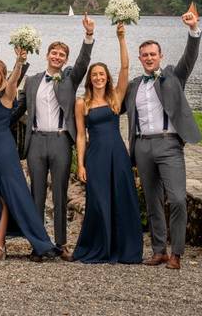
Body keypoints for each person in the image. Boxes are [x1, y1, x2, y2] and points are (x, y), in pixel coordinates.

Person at [124, 3, 202, 270]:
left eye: (152, 54)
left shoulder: (172, 76)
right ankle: (159, 251)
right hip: (142, 146)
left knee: (178, 198)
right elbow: (113, 106)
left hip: (169, 145)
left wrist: (193, 30)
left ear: (160, 55)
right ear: (140, 58)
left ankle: (177, 252)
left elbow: (189, 59)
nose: (148, 58)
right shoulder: (134, 85)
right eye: (144, 55)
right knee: (152, 200)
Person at [12, 14, 95, 255]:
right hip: (36, 140)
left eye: (62, 55)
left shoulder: (70, 79)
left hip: (60, 140)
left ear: (65, 59)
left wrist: (88, 36)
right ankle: (38, 244)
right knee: (36, 194)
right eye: (54, 53)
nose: (57, 57)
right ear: (47, 55)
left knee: (60, 193)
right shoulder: (33, 81)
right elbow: (19, 109)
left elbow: (83, 62)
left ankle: (61, 243)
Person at [0, 48, 58, 262]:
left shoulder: (6, 94)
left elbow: (13, 81)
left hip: (2, 150)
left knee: (6, 197)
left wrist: (19, 61)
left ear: (2, 77)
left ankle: (0, 246)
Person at [69, 22, 142, 264]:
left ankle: (122, 249)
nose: (99, 78)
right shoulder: (82, 103)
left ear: (106, 77)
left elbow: (125, 67)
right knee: (98, 201)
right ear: (90, 79)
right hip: (96, 155)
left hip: (117, 154)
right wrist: (80, 164)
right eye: (95, 75)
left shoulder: (115, 97)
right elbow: (80, 135)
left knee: (121, 198)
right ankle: (97, 246)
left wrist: (121, 37)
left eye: (102, 74)